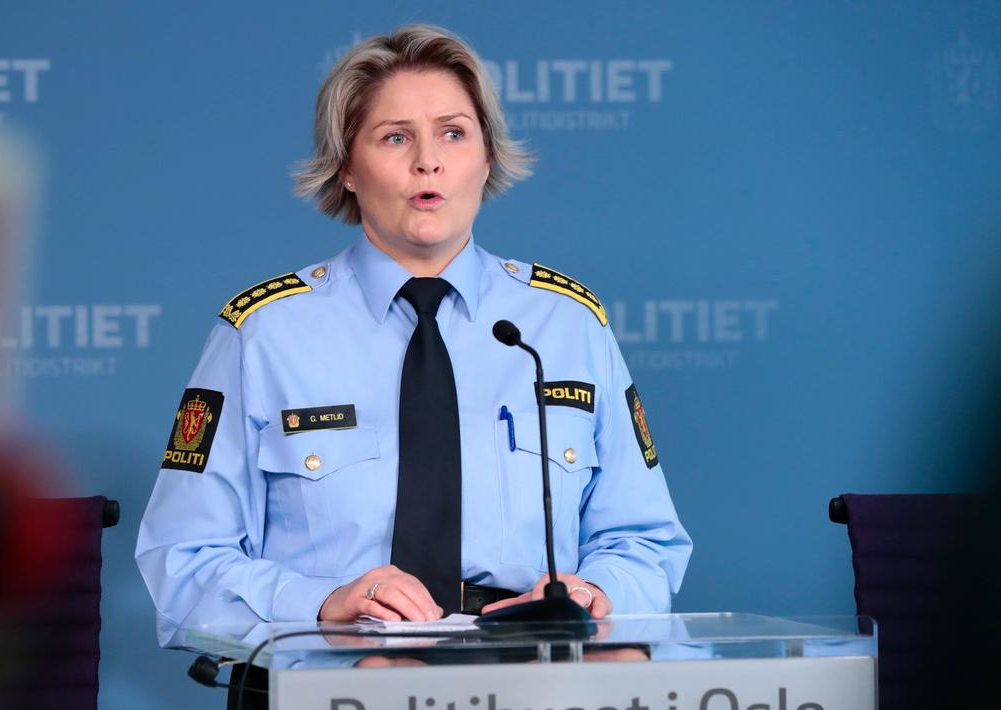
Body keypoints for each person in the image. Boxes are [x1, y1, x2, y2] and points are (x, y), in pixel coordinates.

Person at [136, 24, 691, 651]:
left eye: (453, 133)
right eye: (395, 137)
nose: (428, 161)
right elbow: (182, 561)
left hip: (533, 663)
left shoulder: (567, 324)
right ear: (346, 167)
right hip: (335, 666)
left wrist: (593, 594)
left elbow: (646, 543)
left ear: (487, 158)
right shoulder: (263, 333)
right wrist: (322, 604)